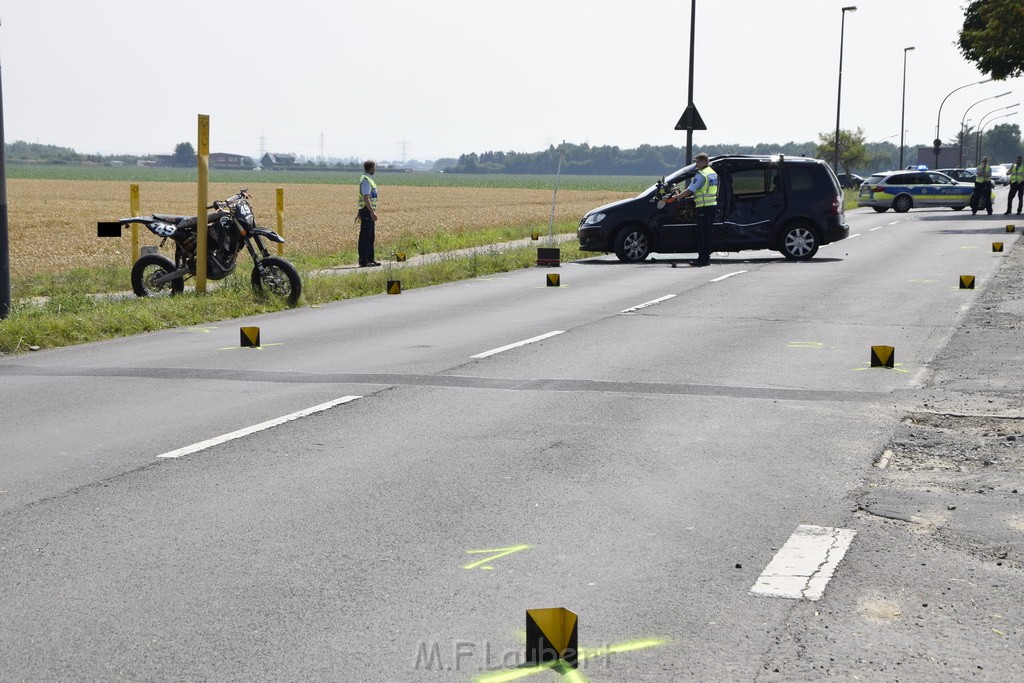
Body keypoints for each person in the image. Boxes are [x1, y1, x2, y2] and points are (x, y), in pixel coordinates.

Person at [676, 152, 718, 266]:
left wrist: (677, 197)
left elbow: (690, 190)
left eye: (697, 162)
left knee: (703, 235)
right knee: (707, 234)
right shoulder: (712, 173)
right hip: (712, 206)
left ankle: (702, 260)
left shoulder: (701, 174)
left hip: (704, 207)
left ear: (704, 161)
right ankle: (706, 258)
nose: (696, 164)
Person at [357, 160, 381, 267]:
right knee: (365, 236)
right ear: (371, 168)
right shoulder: (366, 180)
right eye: (374, 167)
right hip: (367, 211)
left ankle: (370, 259)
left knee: (371, 236)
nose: (375, 169)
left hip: (368, 210)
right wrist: (372, 212)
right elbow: (366, 197)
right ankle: (364, 260)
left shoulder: (369, 179)